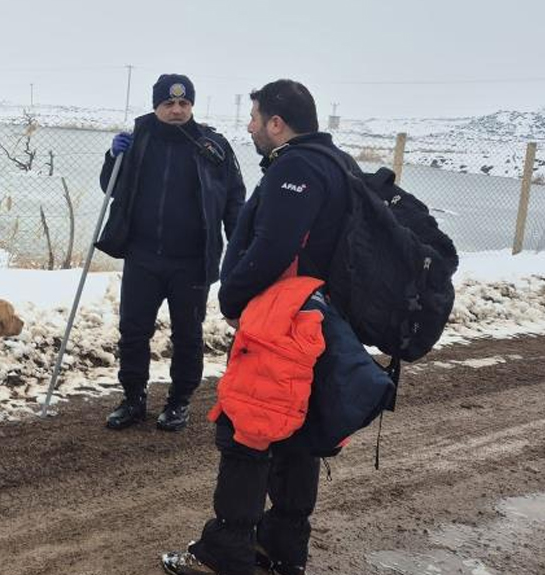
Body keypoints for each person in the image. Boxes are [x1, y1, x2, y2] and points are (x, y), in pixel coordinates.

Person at [161, 80, 362, 575]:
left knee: (248, 430)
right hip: (317, 322)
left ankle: (226, 553)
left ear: (276, 123)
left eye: (254, 117)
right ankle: (283, 549)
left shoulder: (297, 167)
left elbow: (273, 247)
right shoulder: (337, 163)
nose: (249, 126)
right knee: (295, 433)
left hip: (282, 325)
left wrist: (232, 297)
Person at [96, 74, 245, 432]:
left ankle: (179, 401)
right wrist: (112, 157)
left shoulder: (213, 146)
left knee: (188, 334)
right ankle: (133, 398)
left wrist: (239, 251)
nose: (177, 110)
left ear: (191, 105)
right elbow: (110, 187)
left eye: (183, 103)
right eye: (169, 103)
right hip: (143, 256)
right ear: (156, 106)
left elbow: (234, 200)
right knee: (133, 331)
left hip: (192, 261)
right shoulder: (138, 140)